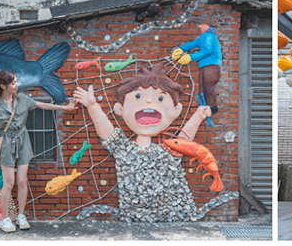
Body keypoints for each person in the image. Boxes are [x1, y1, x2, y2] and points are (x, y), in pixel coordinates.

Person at [73, 65, 212, 223]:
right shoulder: (125, 151)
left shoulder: (167, 150)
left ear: (176, 110)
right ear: (119, 108)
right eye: (138, 96)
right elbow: (108, 133)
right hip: (134, 216)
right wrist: (92, 106)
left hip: (176, 215)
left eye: (161, 98)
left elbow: (183, 142)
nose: (147, 101)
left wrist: (198, 116)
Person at [0, 70, 76, 233]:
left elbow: (42, 105)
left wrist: (65, 108)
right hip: (6, 144)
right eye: (13, 83)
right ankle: (5, 219)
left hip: (23, 142)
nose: (17, 85)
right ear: (3, 86)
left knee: (22, 181)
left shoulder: (22, 99)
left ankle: (21, 216)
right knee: (8, 183)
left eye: (17, 82)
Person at [175, 13, 222, 114]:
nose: (199, 26)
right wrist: (181, 49)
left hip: (211, 66)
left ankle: (211, 108)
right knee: (204, 87)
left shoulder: (208, 35)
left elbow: (207, 51)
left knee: (208, 88)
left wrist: (190, 57)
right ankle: (206, 107)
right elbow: (194, 43)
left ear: (208, 25)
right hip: (206, 66)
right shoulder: (204, 36)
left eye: (202, 24)